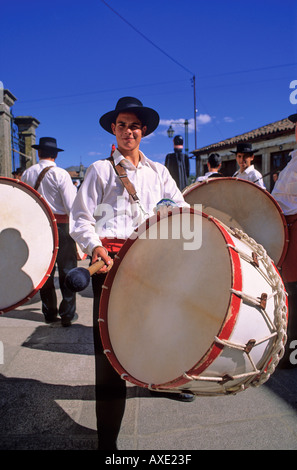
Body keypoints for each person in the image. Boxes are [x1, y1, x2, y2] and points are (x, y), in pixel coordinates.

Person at [70, 96, 195, 450]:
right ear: (114, 129)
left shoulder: (159, 173)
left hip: (150, 263)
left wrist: (173, 229)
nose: (129, 131)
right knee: (109, 350)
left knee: (156, 332)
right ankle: (108, 440)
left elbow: (180, 210)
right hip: (107, 265)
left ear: (144, 132)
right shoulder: (100, 170)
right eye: (122, 125)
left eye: (135, 126)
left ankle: (162, 383)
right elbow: (82, 217)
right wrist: (94, 245)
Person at [21, 137, 78, 327]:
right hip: (61, 226)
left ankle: (49, 313)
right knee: (67, 270)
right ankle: (68, 314)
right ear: (55, 154)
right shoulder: (61, 174)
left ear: (39, 153)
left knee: (45, 272)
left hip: (39, 227)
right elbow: (71, 206)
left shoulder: (27, 174)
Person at [271, 112, 297, 365]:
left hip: (295, 227)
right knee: (290, 291)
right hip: (287, 228)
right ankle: (288, 350)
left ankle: (291, 352)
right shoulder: (293, 158)